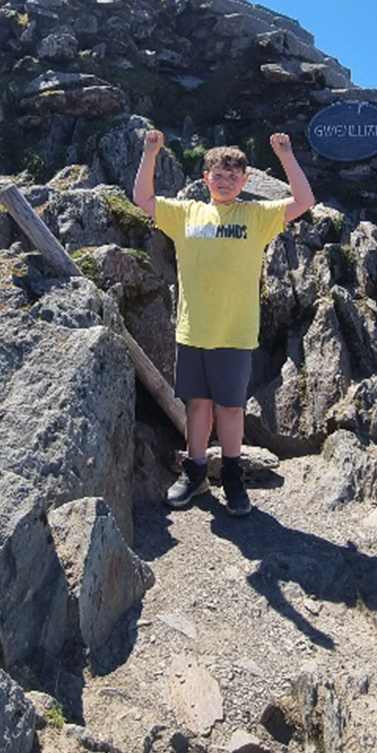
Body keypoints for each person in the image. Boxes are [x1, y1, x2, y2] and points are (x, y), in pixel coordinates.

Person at [132, 131, 315, 515]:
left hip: (234, 332)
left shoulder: (256, 216)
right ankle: (196, 472)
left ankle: (232, 477)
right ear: (206, 178)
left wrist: (285, 155)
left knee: (230, 408)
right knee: (197, 406)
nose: (225, 181)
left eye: (233, 176)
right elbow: (143, 199)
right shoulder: (186, 213)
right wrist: (150, 153)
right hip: (193, 330)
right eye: (218, 174)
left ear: (245, 181)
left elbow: (304, 201)